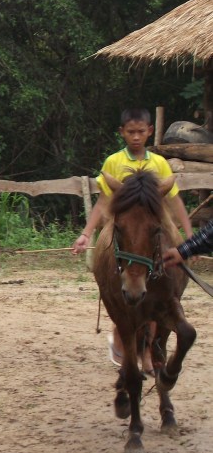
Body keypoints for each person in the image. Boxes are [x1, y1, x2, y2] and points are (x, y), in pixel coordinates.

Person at [71, 107, 192, 373]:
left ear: (149, 132)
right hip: (123, 228)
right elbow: (104, 201)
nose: (136, 137)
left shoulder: (159, 164)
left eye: (141, 132)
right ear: (122, 133)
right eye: (130, 132)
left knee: (161, 281)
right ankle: (123, 330)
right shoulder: (113, 162)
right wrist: (86, 233)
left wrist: (189, 236)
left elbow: (173, 201)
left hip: (151, 232)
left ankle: (149, 349)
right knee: (111, 270)